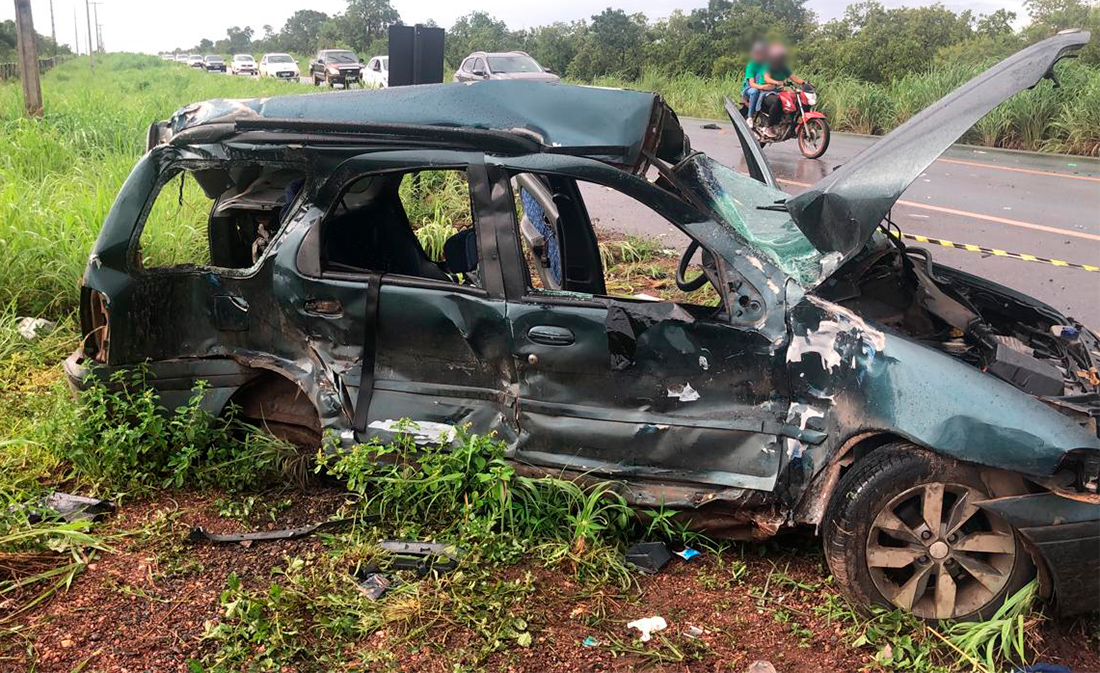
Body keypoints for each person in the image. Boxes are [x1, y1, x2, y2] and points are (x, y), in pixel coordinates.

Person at [759, 44, 805, 138]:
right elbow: (767, 78)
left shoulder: (783, 67)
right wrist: (778, 82)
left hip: (780, 92)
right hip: (766, 92)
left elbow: (794, 78)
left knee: (794, 101)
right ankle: (768, 126)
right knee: (778, 101)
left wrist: (806, 83)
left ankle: (791, 127)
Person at [741, 42, 772, 128]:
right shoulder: (751, 66)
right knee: (755, 91)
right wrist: (763, 87)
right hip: (749, 89)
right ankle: (750, 117)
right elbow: (751, 83)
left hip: (762, 89)